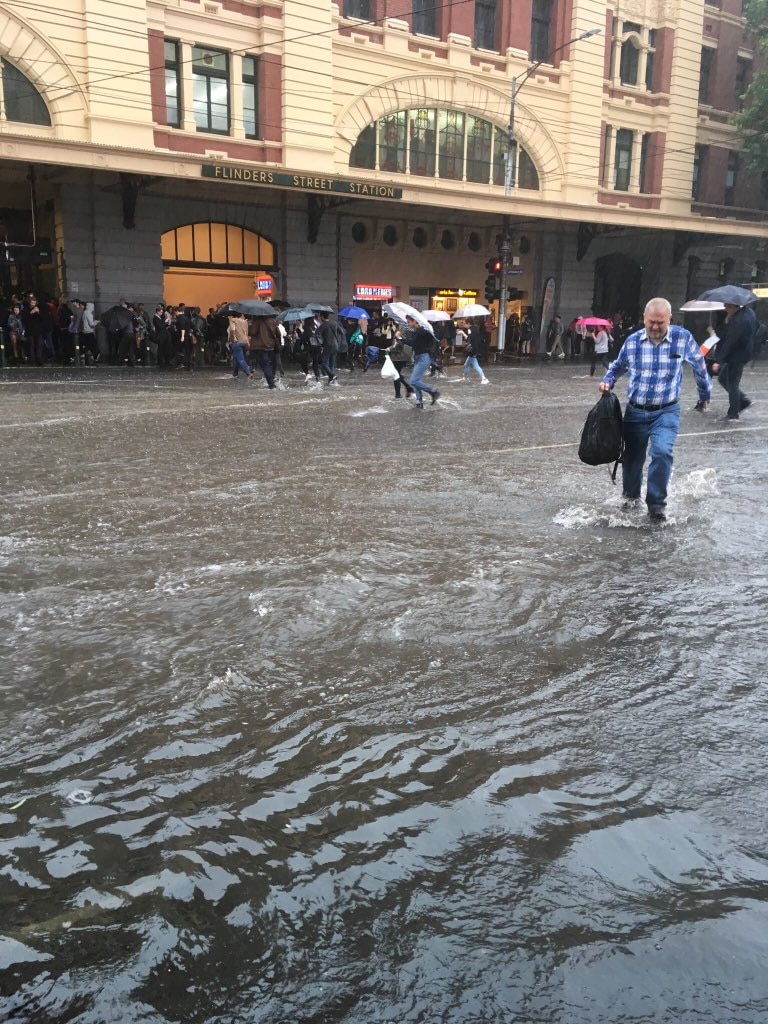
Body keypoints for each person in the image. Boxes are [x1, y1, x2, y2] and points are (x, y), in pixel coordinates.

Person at [599, 296, 711, 522]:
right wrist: (607, 381)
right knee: (632, 459)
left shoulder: (683, 338)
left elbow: (700, 367)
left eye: (660, 322)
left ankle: (656, 505)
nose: (655, 327)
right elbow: (617, 366)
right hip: (636, 411)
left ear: (670, 319)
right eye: (651, 322)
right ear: (644, 319)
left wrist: (704, 395)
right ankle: (630, 500)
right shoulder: (632, 342)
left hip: (667, 411)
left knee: (662, 452)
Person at [710, 301, 757, 420]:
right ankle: (743, 401)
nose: (725, 308)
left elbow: (730, 342)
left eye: (728, 306)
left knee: (732, 383)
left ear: (735, 306)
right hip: (743, 353)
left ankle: (733, 413)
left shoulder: (738, 321)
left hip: (737, 356)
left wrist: (719, 361)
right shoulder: (748, 312)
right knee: (723, 379)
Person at [405, 314, 440, 409]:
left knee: (413, 381)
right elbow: (417, 344)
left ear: (414, 321)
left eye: (408, 322)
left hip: (423, 358)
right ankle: (419, 402)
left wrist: (400, 339)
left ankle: (433, 392)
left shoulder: (420, 331)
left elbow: (413, 343)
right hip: (419, 357)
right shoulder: (420, 331)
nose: (407, 324)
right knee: (417, 380)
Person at [248, 314, 280, 388]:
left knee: (265, 366)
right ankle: (272, 380)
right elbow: (278, 333)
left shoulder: (257, 321)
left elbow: (252, 332)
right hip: (271, 346)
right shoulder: (273, 321)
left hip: (261, 346)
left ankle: (271, 385)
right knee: (270, 364)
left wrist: (250, 326)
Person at [227, 313, 253, 380]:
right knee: (237, 358)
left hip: (237, 341)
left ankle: (248, 372)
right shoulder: (245, 321)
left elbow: (232, 330)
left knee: (241, 359)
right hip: (244, 341)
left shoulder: (233, 320)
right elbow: (246, 332)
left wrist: (232, 340)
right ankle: (235, 374)